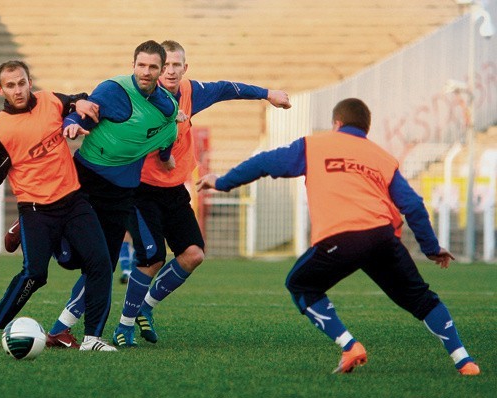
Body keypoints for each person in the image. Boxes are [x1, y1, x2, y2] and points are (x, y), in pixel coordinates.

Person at [196, 98, 480, 375]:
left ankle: (349, 345)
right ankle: (464, 361)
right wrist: (430, 248)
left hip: (341, 237)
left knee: (300, 284)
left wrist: (222, 182)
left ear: (337, 123)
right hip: (382, 237)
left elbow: (264, 162)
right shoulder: (382, 157)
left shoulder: (316, 144)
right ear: (365, 129)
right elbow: (413, 205)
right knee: (421, 299)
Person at [112, 40, 292, 347]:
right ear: (155, 68)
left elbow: (226, 88)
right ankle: (124, 326)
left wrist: (268, 94)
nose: (170, 71)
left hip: (173, 191)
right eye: (164, 65)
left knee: (194, 255)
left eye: (176, 65)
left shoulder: (192, 93)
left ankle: (146, 308)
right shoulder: (138, 97)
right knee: (152, 258)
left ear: (185, 68)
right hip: (140, 190)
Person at [0, 60, 117, 352]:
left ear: (29, 81)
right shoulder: (1, 129)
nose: (18, 90)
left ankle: (92, 338)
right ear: (1, 90)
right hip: (36, 211)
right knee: (35, 274)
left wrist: (81, 104)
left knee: (100, 263)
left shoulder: (50, 101)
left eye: (21, 83)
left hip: (73, 201)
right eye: (10, 86)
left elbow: (74, 102)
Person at [44, 40, 180, 348]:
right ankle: (38, 228)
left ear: (160, 71)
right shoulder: (113, 90)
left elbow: (166, 136)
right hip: (87, 178)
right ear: (133, 64)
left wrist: (166, 156)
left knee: (102, 264)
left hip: (121, 192)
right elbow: (84, 112)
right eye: (141, 65)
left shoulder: (166, 107)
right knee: (73, 258)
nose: (146, 72)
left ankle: (61, 331)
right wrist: (71, 125)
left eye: (153, 67)